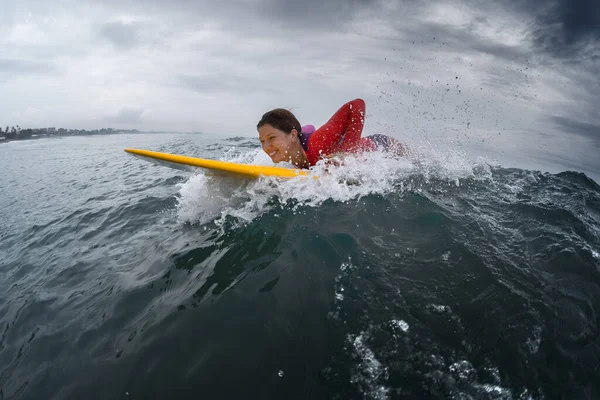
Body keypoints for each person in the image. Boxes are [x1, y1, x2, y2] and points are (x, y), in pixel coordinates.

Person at [257, 98, 406, 169]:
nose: (267, 146)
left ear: (293, 135)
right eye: (262, 141)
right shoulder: (294, 153)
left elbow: (356, 104)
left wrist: (349, 153)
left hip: (383, 145)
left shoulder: (317, 144)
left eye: (271, 138)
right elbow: (308, 128)